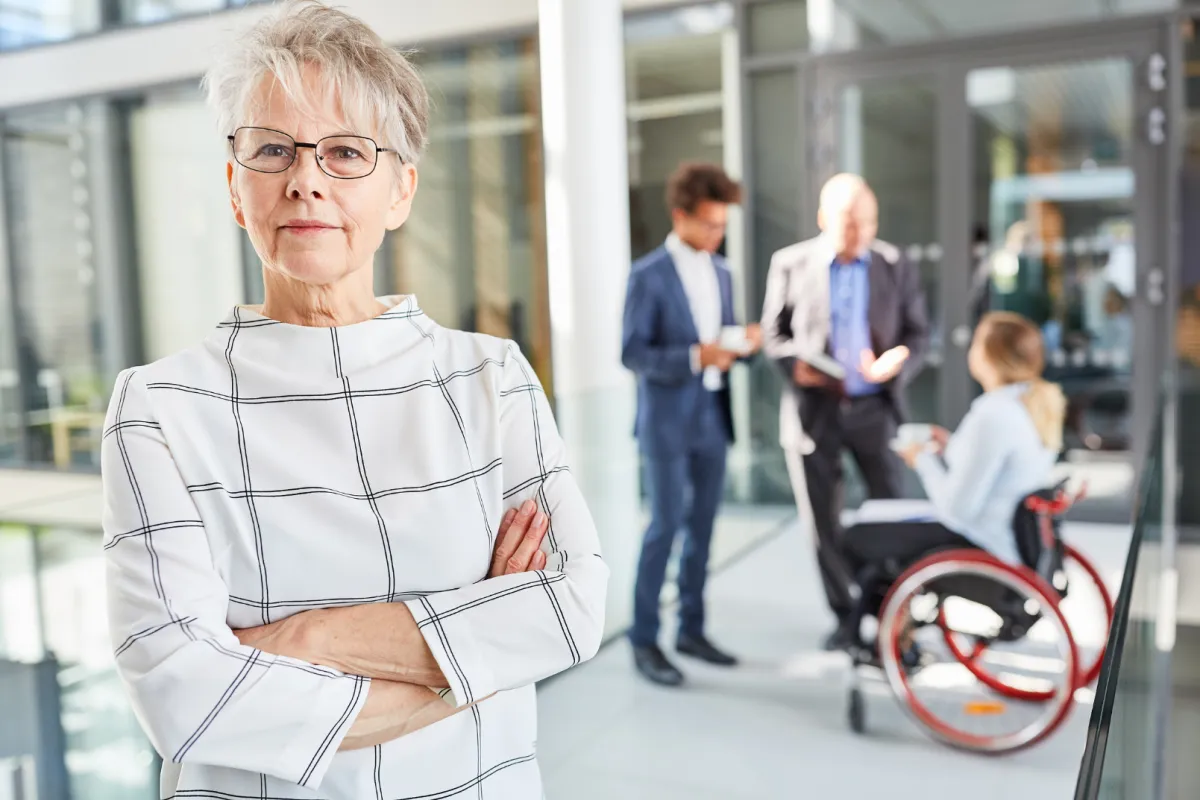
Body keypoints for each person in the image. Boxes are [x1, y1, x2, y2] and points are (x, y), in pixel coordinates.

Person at [100, 4, 607, 798]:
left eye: (344, 152)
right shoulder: (159, 407)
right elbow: (182, 694)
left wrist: (302, 638)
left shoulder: (489, 377)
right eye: (272, 150)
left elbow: (570, 608)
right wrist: (474, 656)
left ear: (400, 190)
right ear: (236, 189)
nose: (305, 178)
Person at [759, 173, 929, 651]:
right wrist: (797, 368)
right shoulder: (789, 264)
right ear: (822, 220)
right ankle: (845, 616)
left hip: (876, 410)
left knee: (893, 516)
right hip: (816, 414)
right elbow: (774, 337)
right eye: (848, 225)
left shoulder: (895, 263)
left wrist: (899, 360)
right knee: (824, 523)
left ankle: (899, 618)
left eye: (867, 224)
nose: (859, 235)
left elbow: (919, 334)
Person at [839, 312, 1066, 638]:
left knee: (856, 538)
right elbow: (1000, 467)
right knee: (882, 528)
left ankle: (891, 634)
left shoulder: (992, 414)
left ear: (989, 357)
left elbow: (956, 509)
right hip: (1014, 542)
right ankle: (897, 627)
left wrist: (922, 462)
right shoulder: (1034, 404)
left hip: (982, 545)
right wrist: (953, 446)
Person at [621, 162, 762, 687]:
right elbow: (632, 353)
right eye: (708, 224)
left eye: (723, 225)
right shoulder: (648, 274)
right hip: (666, 421)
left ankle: (691, 630)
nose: (716, 234)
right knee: (664, 528)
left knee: (703, 529)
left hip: (710, 417)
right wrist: (694, 357)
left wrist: (741, 345)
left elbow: (718, 342)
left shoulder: (722, 272)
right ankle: (643, 639)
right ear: (681, 216)